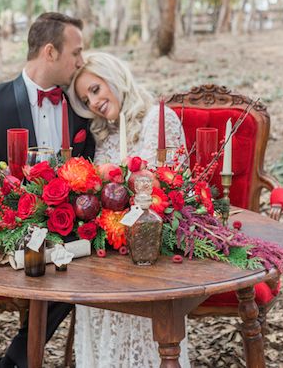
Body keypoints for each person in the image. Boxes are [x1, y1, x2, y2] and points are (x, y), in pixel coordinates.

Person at [0, 12, 96, 368]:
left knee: (79, 270)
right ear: (50, 51)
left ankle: (14, 361)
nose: (81, 61)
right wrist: (12, 201)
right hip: (3, 225)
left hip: (61, 229)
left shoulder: (79, 108)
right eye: (75, 52)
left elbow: (88, 170)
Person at [67, 52, 191, 368]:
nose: (93, 102)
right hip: (112, 245)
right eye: (85, 98)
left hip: (154, 242)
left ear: (114, 76)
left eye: (95, 89)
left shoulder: (157, 119)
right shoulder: (104, 135)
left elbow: (161, 184)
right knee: (93, 280)